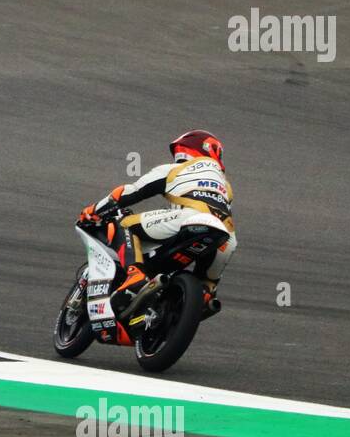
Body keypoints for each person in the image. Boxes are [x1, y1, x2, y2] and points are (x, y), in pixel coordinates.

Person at [78, 130, 237, 315]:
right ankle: (202, 297)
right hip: (227, 237)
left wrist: (94, 211)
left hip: (188, 219)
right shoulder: (226, 186)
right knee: (206, 289)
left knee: (122, 223)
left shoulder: (174, 169)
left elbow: (130, 192)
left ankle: (135, 274)